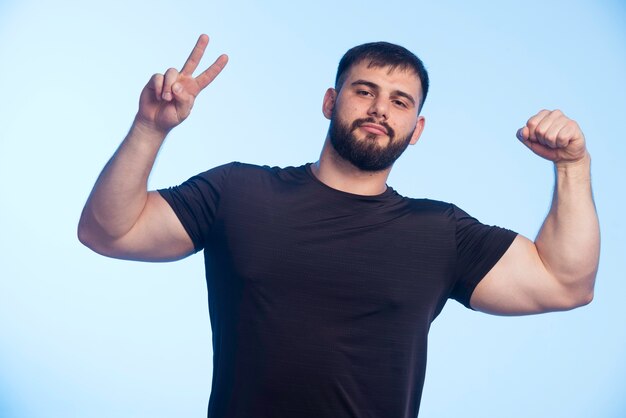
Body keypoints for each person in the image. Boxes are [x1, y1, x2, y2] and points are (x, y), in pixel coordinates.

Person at [77, 34, 600, 418]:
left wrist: (572, 167)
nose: (379, 109)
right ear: (331, 102)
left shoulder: (439, 232)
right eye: (364, 91)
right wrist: (150, 127)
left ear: (416, 130)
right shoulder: (238, 193)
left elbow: (565, 282)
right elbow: (110, 231)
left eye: (400, 101)